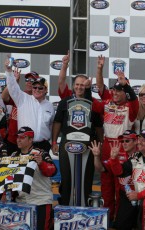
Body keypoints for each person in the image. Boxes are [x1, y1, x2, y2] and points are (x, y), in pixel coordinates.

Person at [89, 68, 139, 222]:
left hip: (123, 147)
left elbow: (134, 101)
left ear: (126, 92)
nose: (116, 93)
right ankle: (108, 219)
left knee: (122, 187)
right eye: (114, 90)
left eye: (120, 90)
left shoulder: (131, 107)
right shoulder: (106, 104)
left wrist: (126, 86)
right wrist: (85, 89)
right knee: (106, 185)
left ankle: (121, 220)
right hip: (107, 145)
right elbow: (92, 102)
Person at [52, 74, 103, 206]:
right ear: (73, 86)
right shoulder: (65, 101)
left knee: (86, 178)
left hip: (88, 145)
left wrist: (101, 144)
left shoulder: (93, 103)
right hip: (67, 143)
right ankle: (64, 208)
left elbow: (98, 127)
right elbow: (57, 122)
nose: (79, 87)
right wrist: (53, 142)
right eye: (77, 84)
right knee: (67, 178)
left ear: (86, 87)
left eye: (82, 85)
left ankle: (85, 207)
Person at [90, 130, 138, 229]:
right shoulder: (117, 155)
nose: (124, 144)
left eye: (127, 141)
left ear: (136, 141)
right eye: (122, 141)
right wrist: (96, 156)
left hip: (141, 195)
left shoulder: (142, 153)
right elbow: (101, 168)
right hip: (126, 197)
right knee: (121, 225)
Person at [11, 126, 57, 230]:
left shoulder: (41, 153)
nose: (18, 140)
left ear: (31, 140)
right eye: (18, 137)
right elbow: (7, 179)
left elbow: (53, 171)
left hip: (41, 201)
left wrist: (41, 163)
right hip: (21, 202)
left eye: (22, 137)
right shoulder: (14, 156)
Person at [6, 61, 54, 153]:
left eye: (40, 88)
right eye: (34, 87)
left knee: (43, 167)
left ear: (45, 90)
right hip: (25, 146)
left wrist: (53, 142)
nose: (37, 90)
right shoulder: (23, 98)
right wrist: (8, 71)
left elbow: (51, 126)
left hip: (43, 146)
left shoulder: (50, 105)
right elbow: (12, 87)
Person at [2, 69, 39, 154]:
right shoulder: (19, 95)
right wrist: (13, 82)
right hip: (12, 139)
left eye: (32, 80)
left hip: (26, 142)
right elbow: (4, 97)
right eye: (27, 80)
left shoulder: (37, 101)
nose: (29, 82)